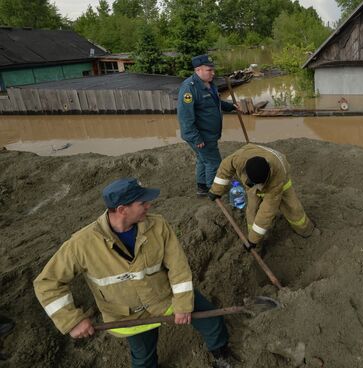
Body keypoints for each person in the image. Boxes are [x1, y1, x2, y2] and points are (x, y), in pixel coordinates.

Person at [33, 178, 234, 368]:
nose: (149, 205)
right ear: (122, 209)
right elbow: (47, 283)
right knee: (143, 355)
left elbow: (178, 267)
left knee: (211, 321)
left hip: (165, 298)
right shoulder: (81, 244)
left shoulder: (158, 225)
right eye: (142, 203)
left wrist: (182, 304)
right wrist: (72, 320)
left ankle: (220, 354)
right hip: (126, 315)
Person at [208, 144, 317, 248]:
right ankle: (254, 239)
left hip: (280, 176)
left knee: (292, 207)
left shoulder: (276, 180)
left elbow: (267, 212)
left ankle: (306, 230)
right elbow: (224, 170)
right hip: (255, 161)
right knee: (253, 208)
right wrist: (216, 190)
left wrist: (253, 240)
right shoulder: (238, 158)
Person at [177, 54, 240, 197]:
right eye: (209, 70)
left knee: (203, 159)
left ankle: (202, 187)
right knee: (214, 162)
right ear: (198, 70)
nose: (213, 73)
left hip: (209, 133)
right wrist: (196, 138)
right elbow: (185, 117)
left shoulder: (209, 84)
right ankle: (214, 191)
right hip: (202, 135)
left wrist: (231, 107)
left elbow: (214, 103)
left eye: (213, 69)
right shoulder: (189, 89)